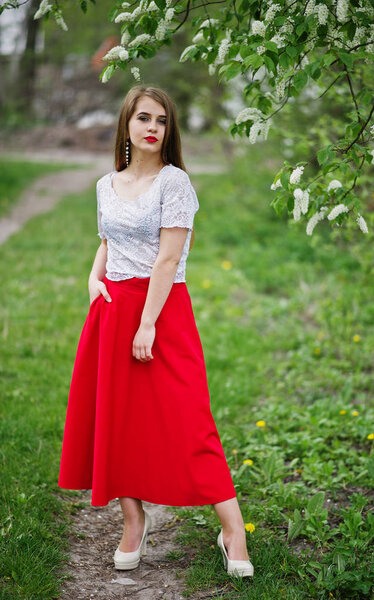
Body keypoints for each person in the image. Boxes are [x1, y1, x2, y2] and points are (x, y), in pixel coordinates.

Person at [57, 85, 254, 578]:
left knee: (190, 420)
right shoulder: (107, 184)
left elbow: (168, 258)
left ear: (169, 129)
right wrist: (92, 274)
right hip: (112, 308)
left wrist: (147, 322)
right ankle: (133, 520)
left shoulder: (175, 184)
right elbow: (107, 239)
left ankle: (232, 530)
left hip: (161, 311)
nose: (152, 127)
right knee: (118, 420)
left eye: (161, 120)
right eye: (143, 117)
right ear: (126, 123)